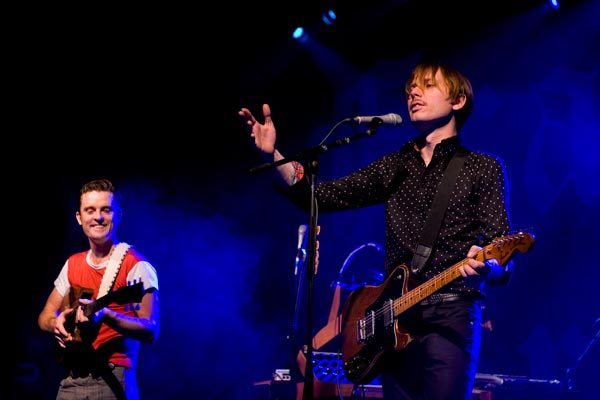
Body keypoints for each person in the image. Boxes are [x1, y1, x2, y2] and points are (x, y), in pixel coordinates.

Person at [239, 60, 515, 400]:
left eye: (427, 85)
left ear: (458, 101)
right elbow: (322, 197)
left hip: (451, 312)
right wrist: (275, 157)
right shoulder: (396, 165)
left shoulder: (482, 167)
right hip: (393, 319)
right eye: (410, 87)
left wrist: (488, 267)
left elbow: (501, 252)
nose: (413, 92)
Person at [38, 178, 160, 400]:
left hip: (112, 379)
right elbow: (45, 315)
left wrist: (107, 315)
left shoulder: (137, 265)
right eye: (90, 210)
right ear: (79, 217)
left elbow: (151, 329)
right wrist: (55, 323)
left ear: (119, 216)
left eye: (106, 210)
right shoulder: (72, 263)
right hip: (70, 380)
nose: (98, 217)